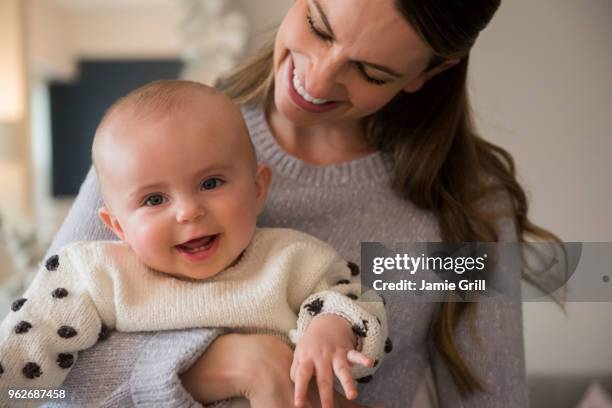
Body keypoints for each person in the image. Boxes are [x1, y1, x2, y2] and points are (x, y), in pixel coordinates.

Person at [42, 0, 554, 406]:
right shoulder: (153, 148)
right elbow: (39, 382)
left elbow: (493, 398)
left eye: (371, 72)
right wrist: (237, 364)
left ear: (430, 71)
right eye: (318, 23)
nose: (318, 78)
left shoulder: (466, 204)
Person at [0, 81, 387, 407]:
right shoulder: (96, 274)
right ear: (117, 225)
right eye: (154, 200)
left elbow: (356, 304)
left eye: (211, 183)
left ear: (257, 189)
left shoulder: (292, 259)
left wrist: (331, 330)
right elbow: (23, 359)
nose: (188, 211)